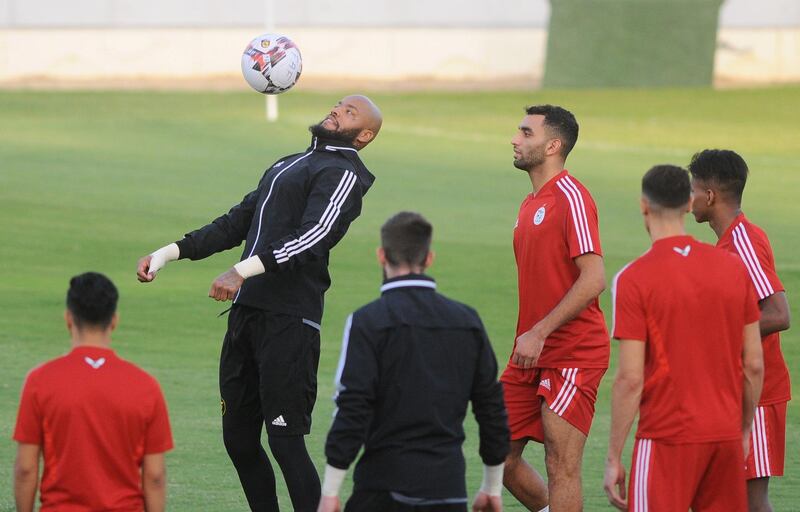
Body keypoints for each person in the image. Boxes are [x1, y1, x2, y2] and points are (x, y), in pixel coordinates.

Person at [136, 94, 382, 511]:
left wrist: (241, 271)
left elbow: (315, 235)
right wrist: (167, 253)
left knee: (285, 440)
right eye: (340, 103)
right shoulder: (288, 163)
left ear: (365, 135)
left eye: (350, 111)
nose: (338, 109)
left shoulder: (344, 172)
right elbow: (236, 222)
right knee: (238, 438)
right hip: (246, 317)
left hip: (289, 321)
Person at [317, 212, 510, 512]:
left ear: (381, 255)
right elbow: (492, 408)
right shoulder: (467, 321)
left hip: (384, 488)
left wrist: (330, 491)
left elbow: (353, 406)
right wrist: (491, 487)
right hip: (447, 489)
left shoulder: (368, 322)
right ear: (429, 258)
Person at [604, 165, 764, 511]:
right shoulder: (733, 268)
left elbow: (631, 379)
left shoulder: (633, 279)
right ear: (689, 204)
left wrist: (614, 456)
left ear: (644, 205)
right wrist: (745, 428)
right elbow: (752, 363)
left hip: (666, 437)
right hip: (724, 436)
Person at [501, 105, 608, 511]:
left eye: (526, 133)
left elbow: (594, 278)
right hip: (529, 351)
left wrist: (541, 331)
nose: (515, 138)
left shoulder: (572, 197)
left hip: (572, 351)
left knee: (560, 464)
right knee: (499, 455)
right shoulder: (530, 203)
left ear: (552, 145)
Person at [13, 272, 173, 512]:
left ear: (68, 318)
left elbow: (26, 469)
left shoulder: (40, 381)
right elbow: (155, 476)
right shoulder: (146, 386)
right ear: (114, 320)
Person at [688, 149, 791, 512]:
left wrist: (716, 333)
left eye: (693, 190)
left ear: (711, 196)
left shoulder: (743, 240)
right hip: (733, 393)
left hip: (759, 395)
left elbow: (779, 313)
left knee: (750, 501)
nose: (689, 199)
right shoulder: (727, 243)